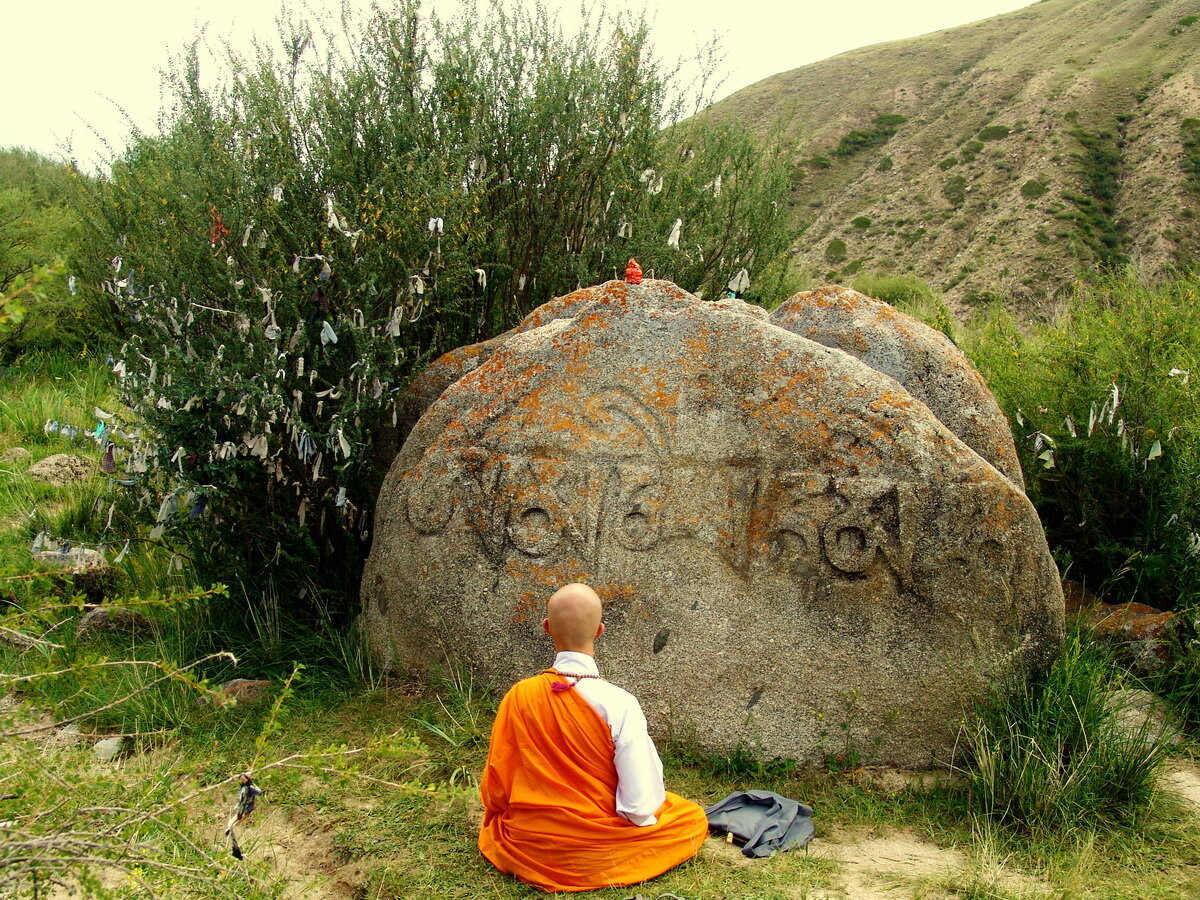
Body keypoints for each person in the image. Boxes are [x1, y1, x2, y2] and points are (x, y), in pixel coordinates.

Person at [478, 583, 709, 892]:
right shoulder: (619, 702)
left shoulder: (520, 695)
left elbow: (496, 786)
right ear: (600, 630)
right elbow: (640, 805)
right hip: (592, 844)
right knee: (690, 817)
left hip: (528, 842)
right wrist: (643, 825)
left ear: (547, 628)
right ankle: (592, 857)